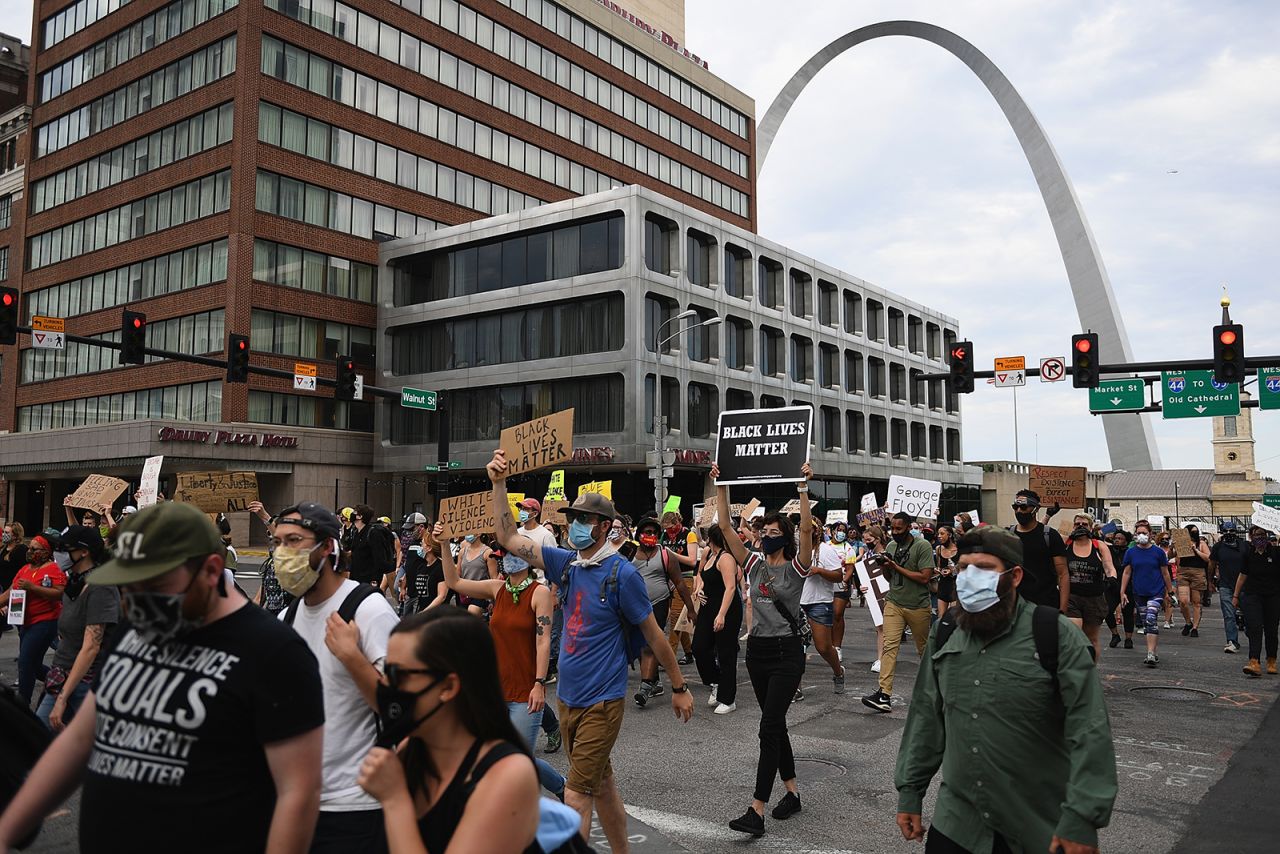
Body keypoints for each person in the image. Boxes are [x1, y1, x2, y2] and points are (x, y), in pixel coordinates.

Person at [0, 502, 325, 853]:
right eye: (129, 585)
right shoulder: (136, 631)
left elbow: (299, 793)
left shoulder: (274, 653)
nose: (137, 599)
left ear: (211, 571)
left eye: (156, 584)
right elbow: (79, 742)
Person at [487, 449, 692, 853]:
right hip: (569, 699)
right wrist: (498, 485)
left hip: (602, 702)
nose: (574, 525)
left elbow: (653, 634)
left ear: (603, 527)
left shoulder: (622, 575)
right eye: (571, 518)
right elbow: (508, 538)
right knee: (603, 788)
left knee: (576, 796)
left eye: (582, 519)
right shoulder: (567, 564)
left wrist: (681, 686)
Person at [895, 527, 1117, 854]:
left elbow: (1090, 730)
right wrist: (910, 791)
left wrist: (1082, 817)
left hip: (1036, 829)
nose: (970, 578)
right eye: (963, 568)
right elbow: (926, 715)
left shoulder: (1055, 636)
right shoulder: (945, 632)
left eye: (983, 569)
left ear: (1014, 577)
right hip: (958, 825)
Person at [355, 608, 546, 853]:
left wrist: (394, 800)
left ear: (448, 686)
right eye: (385, 671)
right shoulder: (411, 752)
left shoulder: (507, 774)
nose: (384, 684)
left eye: (398, 674)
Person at [271, 501, 400, 853]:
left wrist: (352, 658)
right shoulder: (287, 617)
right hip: (296, 801)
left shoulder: (368, 609)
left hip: (353, 805)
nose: (283, 552)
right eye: (278, 542)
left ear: (327, 547)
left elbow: (401, 708)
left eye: (294, 540)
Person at [710, 462, 814, 837]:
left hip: (788, 654)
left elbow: (804, 528)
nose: (766, 536)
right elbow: (724, 527)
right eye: (763, 531)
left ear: (784, 538)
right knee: (776, 725)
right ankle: (793, 793)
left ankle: (757, 809)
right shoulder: (752, 563)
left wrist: (802, 486)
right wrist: (720, 485)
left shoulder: (798, 567)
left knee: (768, 725)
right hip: (757, 653)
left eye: (773, 532)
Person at [435, 522, 565, 798]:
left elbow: (543, 641)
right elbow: (454, 583)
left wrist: (539, 683)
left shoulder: (539, 593)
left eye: (507, 554)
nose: (504, 560)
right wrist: (445, 544)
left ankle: (560, 789)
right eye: (501, 556)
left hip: (524, 692)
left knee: (517, 758)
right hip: (494, 689)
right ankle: (554, 790)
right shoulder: (498, 589)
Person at [36, 526, 120, 731]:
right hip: (62, 675)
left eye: (66, 548)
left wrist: (63, 697)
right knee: (38, 736)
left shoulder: (101, 587)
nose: (60, 553)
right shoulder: (73, 584)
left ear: (84, 552)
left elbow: (91, 646)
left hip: (87, 683)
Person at [862, 512, 935, 714]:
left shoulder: (923, 546)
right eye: (892, 529)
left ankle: (934, 690)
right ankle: (884, 694)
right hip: (894, 602)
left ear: (909, 527)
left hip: (918, 606)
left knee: (924, 649)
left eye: (899, 529)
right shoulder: (891, 547)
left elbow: (924, 577)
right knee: (889, 647)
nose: (894, 533)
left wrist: (895, 566)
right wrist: (885, 566)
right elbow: (889, 576)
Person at [633, 516, 698, 707]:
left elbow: (679, 582)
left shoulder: (665, 555)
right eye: (647, 532)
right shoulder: (629, 553)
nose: (651, 536)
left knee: (650, 644)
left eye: (654, 532)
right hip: (635, 605)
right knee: (639, 643)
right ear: (639, 535)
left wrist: (691, 609)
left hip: (659, 603)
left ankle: (644, 688)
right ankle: (655, 681)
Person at [0, 535, 66, 705]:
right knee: (33, 666)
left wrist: (33, 588)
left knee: (25, 662)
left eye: (34, 549)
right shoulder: (25, 569)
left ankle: (23, 704)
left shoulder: (53, 569)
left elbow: (59, 593)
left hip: (45, 622)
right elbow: (10, 591)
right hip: (25, 622)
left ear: (45, 552)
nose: (30, 552)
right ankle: (63, 684)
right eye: (30, 548)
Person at [689, 522, 743, 713]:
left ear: (711, 538)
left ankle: (728, 699)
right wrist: (699, 588)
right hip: (707, 607)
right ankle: (716, 681)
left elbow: (730, 587)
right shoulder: (708, 554)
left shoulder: (726, 557)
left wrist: (721, 615)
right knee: (699, 647)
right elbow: (700, 574)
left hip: (726, 609)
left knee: (726, 653)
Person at [800, 522, 847, 694]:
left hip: (819, 603)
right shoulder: (795, 550)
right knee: (797, 647)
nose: (803, 530)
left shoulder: (825, 550)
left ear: (817, 530)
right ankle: (795, 687)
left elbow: (838, 576)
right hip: (797, 603)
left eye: (808, 527)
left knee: (823, 647)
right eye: (801, 527)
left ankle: (838, 672)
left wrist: (818, 570)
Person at [1064, 516, 1118, 659]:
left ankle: (1090, 672)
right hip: (1071, 597)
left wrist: (1112, 577)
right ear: (1073, 526)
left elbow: (1108, 565)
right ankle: (1074, 669)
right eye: (1077, 524)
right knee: (1073, 635)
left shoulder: (1098, 545)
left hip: (1094, 599)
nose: (1080, 526)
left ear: (1091, 527)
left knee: (1091, 640)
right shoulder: (1066, 543)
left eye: (1084, 524)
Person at [1121, 529, 1174, 667]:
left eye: (1144, 532)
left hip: (1156, 591)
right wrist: (1122, 592)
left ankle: (1150, 653)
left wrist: (1170, 591)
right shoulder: (1131, 552)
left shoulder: (1158, 552)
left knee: (1151, 618)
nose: (1142, 535)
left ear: (1151, 534)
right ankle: (1153, 651)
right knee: (1146, 622)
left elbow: (1165, 573)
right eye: (1139, 532)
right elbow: (1127, 572)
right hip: (1139, 592)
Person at [1009, 491, 1069, 612]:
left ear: (1035, 509)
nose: (1019, 511)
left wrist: (1062, 610)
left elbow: (1063, 574)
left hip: (1046, 605)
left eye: (1024, 507)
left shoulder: (1050, 535)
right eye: (1015, 507)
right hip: (1015, 606)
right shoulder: (1008, 535)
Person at [1234, 525, 1280, 677]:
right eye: (1256, 535)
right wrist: (1235, 596)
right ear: (1251, 537)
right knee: (1254, 627)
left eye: (1262, 534)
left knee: (1271, 629)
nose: (1259, 537)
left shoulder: (1275, 552)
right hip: (1252, 595)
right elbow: (1242, 575)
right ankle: (1254, 661)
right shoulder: (1248, 554)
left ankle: (1271, 660)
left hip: (1272, 595)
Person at [661, 510, 700, 663]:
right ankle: (689, 652)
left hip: (685, 578)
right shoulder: (664, 535)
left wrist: (671, 554)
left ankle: (668, 656)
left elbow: (692, 561)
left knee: (676, 615)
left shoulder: (688, 535)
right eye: (665, 528)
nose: (668, 531)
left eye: (670, 527)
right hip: (668, 579)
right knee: (676, 616)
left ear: (677, 523)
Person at [1210, 521, 1247, 653]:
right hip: (1225, 585)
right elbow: (1212, 564)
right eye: (1226, 531)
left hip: (1244, 586)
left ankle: (1252, 636)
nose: (1228, 533)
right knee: (1228, 614)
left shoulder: (1244, 546)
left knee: (1249, 615)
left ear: (1236, 532)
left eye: (1231, 531)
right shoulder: (1218, 547)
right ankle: (1232, 641)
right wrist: (1210, 581)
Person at [861, 524, 889, 673]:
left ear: (877, 539)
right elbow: (865, 578)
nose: (866, 542)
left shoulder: (888, 553)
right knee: (880, 627)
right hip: (876, 597)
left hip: (891, 595)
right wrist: (862, 587)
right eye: (865, 540)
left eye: (869, 539)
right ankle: (881, 659)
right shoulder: (867, 556)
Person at [829, 521, 859, 658]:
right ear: (832, 531)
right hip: (825, 585)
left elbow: (849, 569)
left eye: (843, 530)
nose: (841, 532)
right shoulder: (825, 547)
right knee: (826, 615)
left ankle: (837, 647)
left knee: (837, 614)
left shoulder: (848, 548)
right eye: (838, 529)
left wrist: (843, 581)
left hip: (841, 585)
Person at [1176, 524, 1211, 638]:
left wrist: (1195, 549)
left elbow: (1208, 558)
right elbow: (1173, 556)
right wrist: (1174, 547)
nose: (1193, 534)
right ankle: (1188, 622)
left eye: (1196, 532)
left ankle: (1195, 627)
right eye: (1191, 532)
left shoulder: (1201, 543)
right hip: (1183, 571)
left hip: (1198, 572)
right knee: (1183, 601)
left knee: (1196, 602)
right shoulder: (1182, 542)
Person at [349, 504, 396, 588]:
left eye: (355, 512)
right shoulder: (356, 532)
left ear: (360, 516)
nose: (352, 514)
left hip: (369, 579)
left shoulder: (373, 533)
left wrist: (375, 580)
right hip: (356, 578)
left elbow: (379, 558)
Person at [455, 528, 499, 615]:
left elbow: (494, 578)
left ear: (479, 533)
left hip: (481, 594)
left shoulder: (488, 552)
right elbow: (458, 574)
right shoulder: (462, 552)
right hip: (465, 593)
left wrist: (493, 602)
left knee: (472, 613)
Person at [1105, 531, 1136, 649]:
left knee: (1128, 613)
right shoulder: (1109, 550)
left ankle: (1128, 638)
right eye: (1115, 538)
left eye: (1120, 538)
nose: (1117, 540)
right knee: (1107, 610)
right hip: (1112, 586)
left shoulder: (1130, 552)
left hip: (1128, 587)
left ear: (1126, 541)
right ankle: (1115, 634)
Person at [0, 521, 27, 639]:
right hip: (2, 591)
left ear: (15, 535)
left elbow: (24, 571)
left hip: (16, 593)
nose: (4, 535)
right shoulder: (3, 548)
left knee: (21, 626)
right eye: (4, 532)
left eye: (7, 532)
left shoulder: (21, 550)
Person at [934, 526, 959, 620]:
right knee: (941, 617)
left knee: (953, 617)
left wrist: (952, 570)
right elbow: (938, 565)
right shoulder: (938, 549)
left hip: (955, 585)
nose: (939, 536)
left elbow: (963, 566)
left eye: (942, 534)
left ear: (950, 535)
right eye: (938, 534)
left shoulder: (958, 549)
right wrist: (938, 570)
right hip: (943, 584)